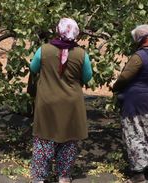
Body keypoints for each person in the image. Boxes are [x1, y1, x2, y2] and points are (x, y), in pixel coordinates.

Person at [29, 18, 93, 183]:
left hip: (47, 102)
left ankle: (40, 178)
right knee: (69, 140)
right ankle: (64, 176)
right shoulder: (81, 54)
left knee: (44, 139)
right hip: (71, 103)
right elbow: (87, 77)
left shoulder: (44, 50)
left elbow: (33, 68)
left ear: (58, 30)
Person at [111, 24, 148, 183]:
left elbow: (125, 77)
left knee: (135, 133)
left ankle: (138, 173)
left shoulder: (139, 57)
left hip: (137, 101)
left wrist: (115, 87)